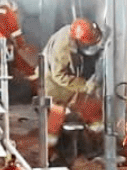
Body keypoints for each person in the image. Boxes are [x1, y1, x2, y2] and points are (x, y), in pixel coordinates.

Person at [42, 17, 105, 158]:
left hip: (69, 80)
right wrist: (84, 85)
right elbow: (59, 75)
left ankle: (95, 145)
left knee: (90, 108)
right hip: (53, 83)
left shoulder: (76, 33)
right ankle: (47, 155)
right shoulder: (63, 47)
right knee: (56, 117)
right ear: (78, 41)